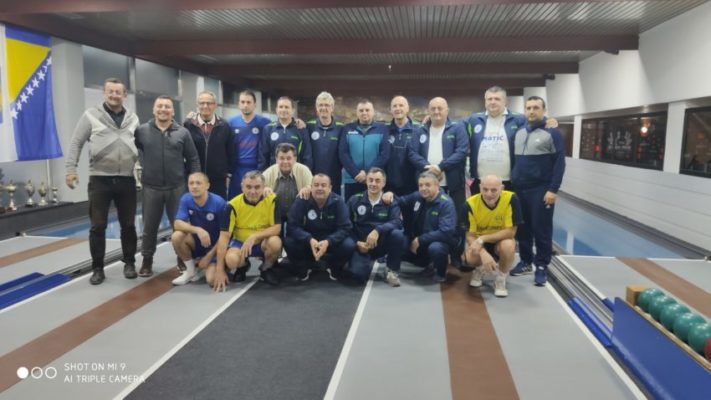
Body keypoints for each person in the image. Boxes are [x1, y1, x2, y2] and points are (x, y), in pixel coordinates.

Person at [65, 78, 140, 285]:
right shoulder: (91, 115)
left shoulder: (133, 118)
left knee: (128, 225)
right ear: (104, 93)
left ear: (124, 95)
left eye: (118, 92)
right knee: (98, 226)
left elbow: (141, 144)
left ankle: (129, 263)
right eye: (110, 91)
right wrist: (70, 169)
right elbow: (76, 142)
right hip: (100, 179)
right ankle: (97, 268)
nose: (114, 95)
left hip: (126, 179)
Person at [134, 95, 200, 277]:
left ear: (173, 111)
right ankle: (147, 260)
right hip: (151, 187)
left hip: (177, 187)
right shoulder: (141, 131)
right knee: (149, 227)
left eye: (167, 107)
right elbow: (136, 150)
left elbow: (193, 158)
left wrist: (195, 182)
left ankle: (182, 257)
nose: (163, 109)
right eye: (160, 106)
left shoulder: (183, 133)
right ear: (154, 109)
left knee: (180, 226)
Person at [509, 96, 566, 286]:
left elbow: (559, 164)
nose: (531, 111)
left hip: (540, 189)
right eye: (528, 108)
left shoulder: (552, 133)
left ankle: (541, 265)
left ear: (544, 110)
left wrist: (553, 189)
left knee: (541, 228)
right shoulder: (518, 133)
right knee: (523, 228)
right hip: (520, 189)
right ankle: (526, 261)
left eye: (535, 107)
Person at [408, 97, 469, 268]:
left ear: (447, 110)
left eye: (440, 108)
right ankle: (429, 257)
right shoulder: (419, 131)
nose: (436, 112)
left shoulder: (457, 128)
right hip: (427, 186)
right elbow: (412, 153)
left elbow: (461, 151)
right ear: (428, 111)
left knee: (457, 222)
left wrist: (441, 167)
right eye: (433, 108)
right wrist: (428, 168)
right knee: (427, 222)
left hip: (453, 184)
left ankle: (455, 255)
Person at [466, 86, 558, 194]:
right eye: (489, 99)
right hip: (481, 182)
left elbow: (535, 120)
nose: (493, 102)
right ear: (485, 101)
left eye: (497, 99)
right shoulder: (474, 119)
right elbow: (457, 126)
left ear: (505, 101)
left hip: (510, 182)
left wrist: (547, 120)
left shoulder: (519, 119)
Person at [213, 171, 283, 291]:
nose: (253, 191)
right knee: (231, 260)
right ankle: (243, 266)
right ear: (242, 187)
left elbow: (277, 228)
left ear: (264, 187)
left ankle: (266, 269)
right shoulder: (232, 205)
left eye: (257, 187)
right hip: (240, 243)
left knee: (275, 243)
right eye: (248, 187)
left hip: (262, 242)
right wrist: (219, 270)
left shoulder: (272, 200)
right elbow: (224, 238)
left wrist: (255, 236)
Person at [285, 174, 355, 281]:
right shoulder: (301, 200)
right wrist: (308, 239)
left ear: (330, 188)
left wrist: (329, 241)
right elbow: (292, 225)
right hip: (308, 242)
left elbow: (345, 227)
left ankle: (334, 267)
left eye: (323, 185)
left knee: (349, 245)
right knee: (289, 241)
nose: (320, 188)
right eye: (316, 185)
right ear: (311, 187)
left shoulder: (338, 201)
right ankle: (303, 268)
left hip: (330, 242)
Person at [389, 172, 457, 283]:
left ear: (437, 186)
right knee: (398, 240)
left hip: (437, 241)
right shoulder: (417, 196)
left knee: (436, 248)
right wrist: (390, 195)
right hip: (418, 241)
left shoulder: (446, 203)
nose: (423, 188)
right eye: (421, 185)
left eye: (427, 185)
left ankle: (440, 272)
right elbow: (400, 201)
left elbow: (446, 232)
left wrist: (420, 239)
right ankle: (421, 264)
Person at [462, 175, 522, 297]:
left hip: (499, 241)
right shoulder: (470, 204)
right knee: (470, 258)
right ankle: (480, 269)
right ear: (480, 187)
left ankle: (500, 279)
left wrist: (483, 238)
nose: (489, 194)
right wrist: (483, 253)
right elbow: (470, 236)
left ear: (502, 188)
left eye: (494, 190)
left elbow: (510, 232)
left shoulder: (511, 199)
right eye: (485, 189)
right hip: (480, 243)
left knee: (508, 245)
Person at [346, 168, 405, 286]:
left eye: (377, 181)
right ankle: (359, 264)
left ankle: (391, 270)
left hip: (382, 244)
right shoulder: (354, 200)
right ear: (366, 181)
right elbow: (346, 225)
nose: (373, 184)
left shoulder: (390, 201)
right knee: (358, 275)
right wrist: (357, 242)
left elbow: (398, 222)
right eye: (370, 180)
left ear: (384, 183)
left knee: (397, 234)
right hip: (363, 245)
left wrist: (377, 230)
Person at [171, 172, 226, 285]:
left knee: (211, 280)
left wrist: (208, 256)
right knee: (177, 236)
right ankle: (191, 271)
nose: (194, 186)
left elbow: (225, 236)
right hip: (199, 242)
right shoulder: (186, 199)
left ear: (207, 186)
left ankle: (219, 266)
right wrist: (198, 230)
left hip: (217, 246)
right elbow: (177, 224)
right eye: (191, 183)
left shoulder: (219, 203)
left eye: (198, 183)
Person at [184, 91, 234, 199]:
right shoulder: (188, 125)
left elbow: (231, 151)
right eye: (202, 103)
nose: (205, 106)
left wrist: (228, 174)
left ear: (215, 105)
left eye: (209, 103)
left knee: (219, 207)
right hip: (195, 179)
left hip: (218, 180)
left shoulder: (225, 125)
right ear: (197, 105)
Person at [339, 99, 389, 200]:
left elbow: (384, 154)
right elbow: (343, 153)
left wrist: (368, 173)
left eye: (367, 110)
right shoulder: (347, 129)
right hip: (352, 179)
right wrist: (356, 173)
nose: (364, 113)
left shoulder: (382, 129)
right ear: (357, 113)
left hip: (374, 180)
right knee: (351, 207)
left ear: (373, 112)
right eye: (361, 110)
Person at [227, 90, 271, 198]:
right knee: (236, 200)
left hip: (257, 168)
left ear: (255, 104)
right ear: (239, 104)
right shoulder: (231, 123)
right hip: (237, 170)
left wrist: (296, 121)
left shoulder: (265, 122)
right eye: (242, 102)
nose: (245, 105)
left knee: (256, 199)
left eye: (248, 102)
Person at [263, 143, 313, 230]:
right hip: (275, 217)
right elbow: (257, 189)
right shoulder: (268, 173)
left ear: (295, 159)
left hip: (298, 216)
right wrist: (263, 188)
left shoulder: (304, 170)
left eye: (289, 158)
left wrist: (308, 188)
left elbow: (314, 187)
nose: (285, 162)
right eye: (281, 158)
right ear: (276, 159)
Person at [258, 96, 312, 171]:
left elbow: (307, 156)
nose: (283, 110)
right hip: (274, 174)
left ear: (293, 110)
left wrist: (306, 173)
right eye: (281, 107)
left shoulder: (300, 129)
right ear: (276, 109)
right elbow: (263, 156)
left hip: (295, 173)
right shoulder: (268, 129)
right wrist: (263, 174)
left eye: (286, 107)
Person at [307, 91, 344, 194]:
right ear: (316, 107)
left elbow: (343, 153)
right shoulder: (309, 126)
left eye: (327, 105)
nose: (323, 108)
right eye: (321, 105)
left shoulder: (341, 128)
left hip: (334, 178)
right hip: (313, 177)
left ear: (332, 108)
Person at [384, 95, 420, 196]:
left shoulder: (418, 129)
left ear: (407, 108)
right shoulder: (384, 130)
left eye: (401, 105)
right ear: (390, 110)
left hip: (413, 185)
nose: (398, 108)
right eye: (394, 106)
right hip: (389, 186)